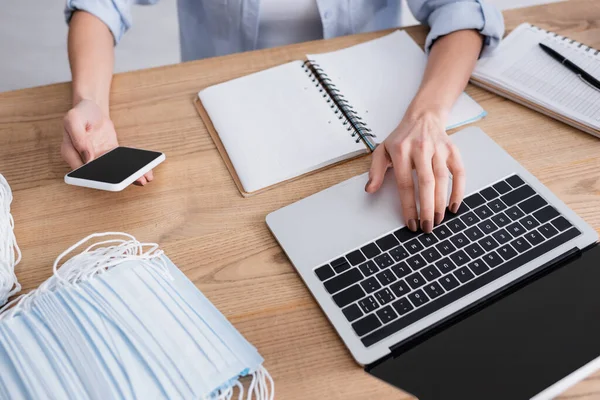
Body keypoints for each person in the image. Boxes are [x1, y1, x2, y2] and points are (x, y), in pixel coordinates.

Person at [63, 0, 504, 233]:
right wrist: (90, 101)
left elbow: (464, 9)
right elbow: (98, 4)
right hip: (224, 139)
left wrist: (427, 115)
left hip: (367, 136)